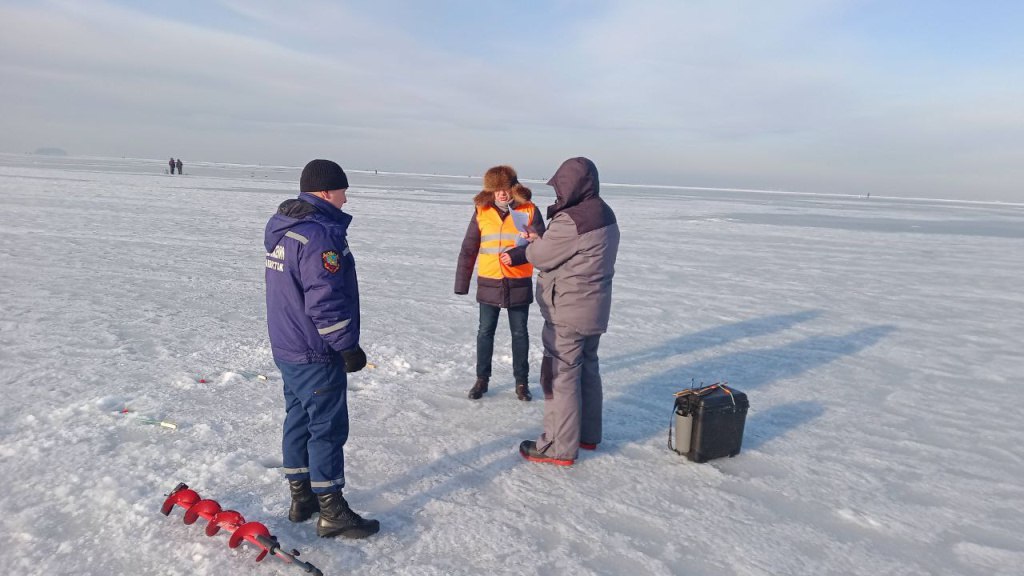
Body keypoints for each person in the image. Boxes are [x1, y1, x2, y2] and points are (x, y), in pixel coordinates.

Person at [264, 159, 379, 539]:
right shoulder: (319, 236)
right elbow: (324, 300)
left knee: (298, 420)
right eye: (343, 191)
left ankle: (302, 499)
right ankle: (331, 510)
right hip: (314, 350)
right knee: (326, 428)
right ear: (327, 192)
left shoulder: (286, 228)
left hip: (288, 345)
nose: (346, 199)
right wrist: (347, 346)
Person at [517, 157, 620, 466]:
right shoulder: (604, 213)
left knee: (560, 376)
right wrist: (545, 240)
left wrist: (535, 243)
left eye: (560, 187)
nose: (558, 194)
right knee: (587, 369)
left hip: (567, 311)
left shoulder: (572, 220)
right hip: (594, 309)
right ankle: (587, 434)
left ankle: (558, 446)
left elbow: (541, 256)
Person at [455, 165, 545, 401]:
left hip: (518, 280)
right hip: (490, 281)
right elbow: (469, 248)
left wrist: (517, 255)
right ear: (490, 191)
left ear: (513, 188)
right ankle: (481, 380)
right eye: (497, 190)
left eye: (505, 188)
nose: (502, 194)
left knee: (520, 333)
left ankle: (522, 383)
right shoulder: (481, 211)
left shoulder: (529, 210)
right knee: (485, 332)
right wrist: (461, 283)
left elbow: (543, 244)